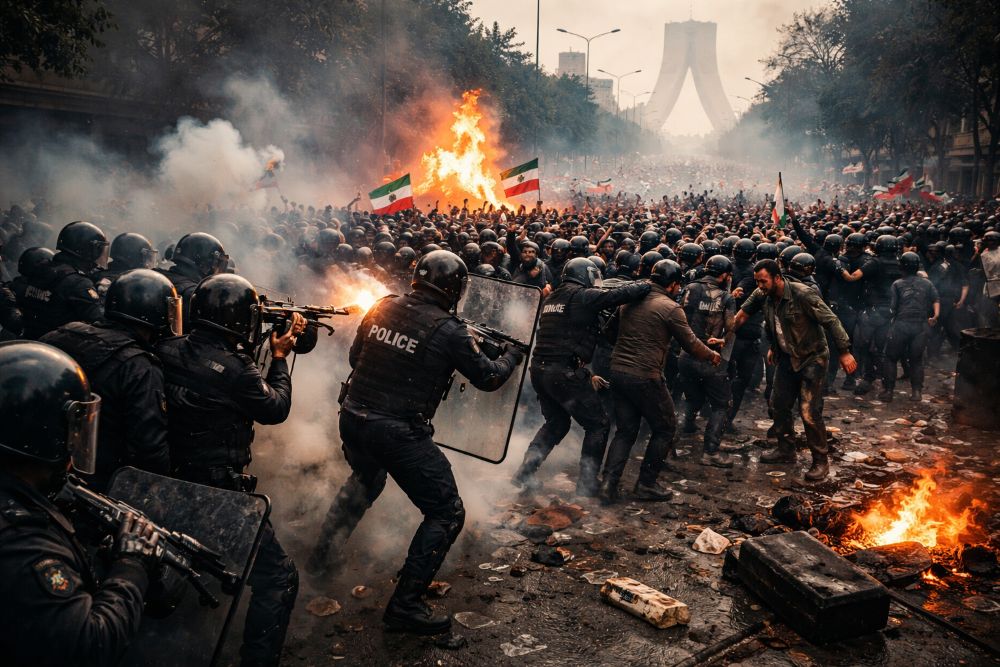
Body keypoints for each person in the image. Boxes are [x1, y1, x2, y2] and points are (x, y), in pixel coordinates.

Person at [305, 250, 524, 635]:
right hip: (396, 430)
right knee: (446, 511)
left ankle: (320, 561)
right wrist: (511, 356)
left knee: (365, 480)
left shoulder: (383, 305)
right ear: (455, 289)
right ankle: (405, 606)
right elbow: (488, 378)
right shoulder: (450, 330)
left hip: (353, 417)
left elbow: (357, 357)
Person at [157, 274, 304, 667]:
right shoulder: (238, 371)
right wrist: (278, 357)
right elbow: (275, 409)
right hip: (216, 493)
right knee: (278, 579)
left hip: (162, 481)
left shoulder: (165, 348)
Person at [0, 340, 163, 667]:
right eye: (73, 430)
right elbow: (91, 646)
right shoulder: (23, 545)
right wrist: (131, 565)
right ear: (43, 435)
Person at [511, 257, 650, 497]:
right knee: (598, 424)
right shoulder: (580, 295)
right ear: (584, 275)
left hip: (540, 370)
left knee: (557, 423)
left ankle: (524, 472)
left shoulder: (553, 297)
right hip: (564, 372)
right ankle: (586, 486)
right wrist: (646, 284)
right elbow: (615, 296)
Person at [40, 270, 180, 491]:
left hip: (40, 468)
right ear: (156, 311)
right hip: (97, 486)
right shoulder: (140, 367)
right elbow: (148, 449)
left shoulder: (62, 333)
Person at [600, 260, 720, 504]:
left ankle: (607, 486)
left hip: (618, 371)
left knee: (625, 430)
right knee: (665, 427)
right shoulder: (670, 307)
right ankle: (646, 484)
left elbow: (609, 332)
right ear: (674, 284)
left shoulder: (629, 300)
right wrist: (711, 354)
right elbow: (690, 343)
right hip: (646, 376)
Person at [748, 260, 856, 481]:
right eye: (757, 281)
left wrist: (844, 351)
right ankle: (785, 450)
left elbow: (831, 320)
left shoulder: (802, 294)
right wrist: (773, 347)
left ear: (777, 277)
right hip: (787, 357)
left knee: (809, 411)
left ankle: (820, 461)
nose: (760, 285)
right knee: (778, 404)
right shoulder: (765, 296)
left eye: (764, 281)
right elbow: (771, 323)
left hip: (812, 358)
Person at [680, 255, 737, 468]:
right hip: (710, 357)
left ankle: (680, 435)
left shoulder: (690, 288)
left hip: (686, 355)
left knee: (691, 398)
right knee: (722, 404)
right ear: (723, 275)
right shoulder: (726, 297)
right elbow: (731, 327)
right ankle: (710, 451)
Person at [17, 221, 108, 339]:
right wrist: (104, 296)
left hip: (30, 341)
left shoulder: (42, 269)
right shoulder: (78, 283)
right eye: (99, 248)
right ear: (87, 249)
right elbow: (101, 319)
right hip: (58, 350)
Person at [883, 252, 939, 402]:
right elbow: (936, 299)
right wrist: (935, 316)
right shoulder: (927, 283)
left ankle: (888, 392)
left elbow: (892, 308)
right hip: (920, 326)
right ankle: (916, 393)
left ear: (901, 266)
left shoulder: (897, 284)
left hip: (901, 325)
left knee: (890, 357)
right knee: (916, 360)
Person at [157, 232, 228, 329]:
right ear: (207, 263)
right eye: (218, 264)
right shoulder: (195, 294)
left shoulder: (156, 277)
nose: (218, 270)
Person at [93, 232, 158, 299]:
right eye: (146, 258)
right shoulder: (131, 282)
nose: (148, 264)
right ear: (134, 256)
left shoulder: (98, 275)